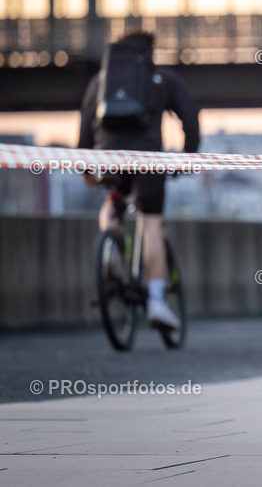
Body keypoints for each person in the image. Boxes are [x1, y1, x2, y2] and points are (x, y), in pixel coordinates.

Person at [79, 30, 200, 331]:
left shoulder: (102, 82)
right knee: (151, 224)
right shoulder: (162, 80)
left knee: (113, 200)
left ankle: (110, 248)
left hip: (109, 158)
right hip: (149, 159)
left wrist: (88, 171)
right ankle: (157, 300)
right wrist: (186, 156)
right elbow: (191, 119)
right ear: (149, 54)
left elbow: (83, 133)